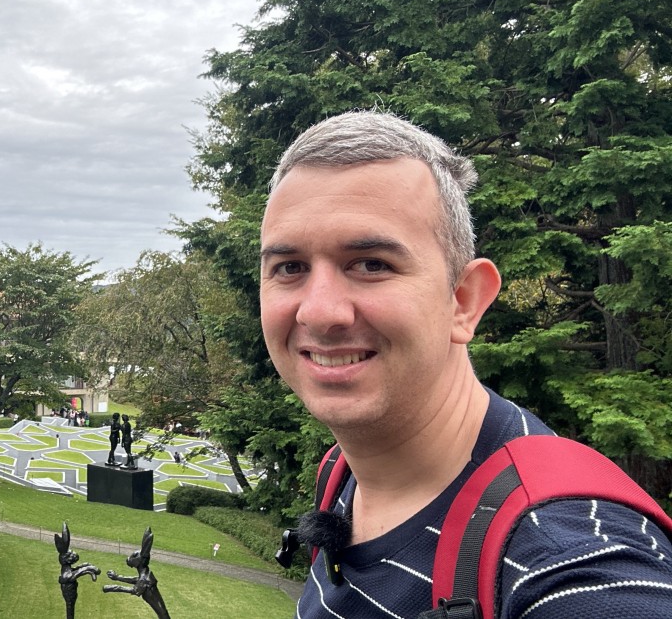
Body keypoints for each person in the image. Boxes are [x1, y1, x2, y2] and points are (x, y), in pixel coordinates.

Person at [259, 111, 672, 617]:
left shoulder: (569, 559)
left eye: (372, 265)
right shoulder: (342, 473)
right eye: (290, 267)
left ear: (464, 301)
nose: (320, 311)